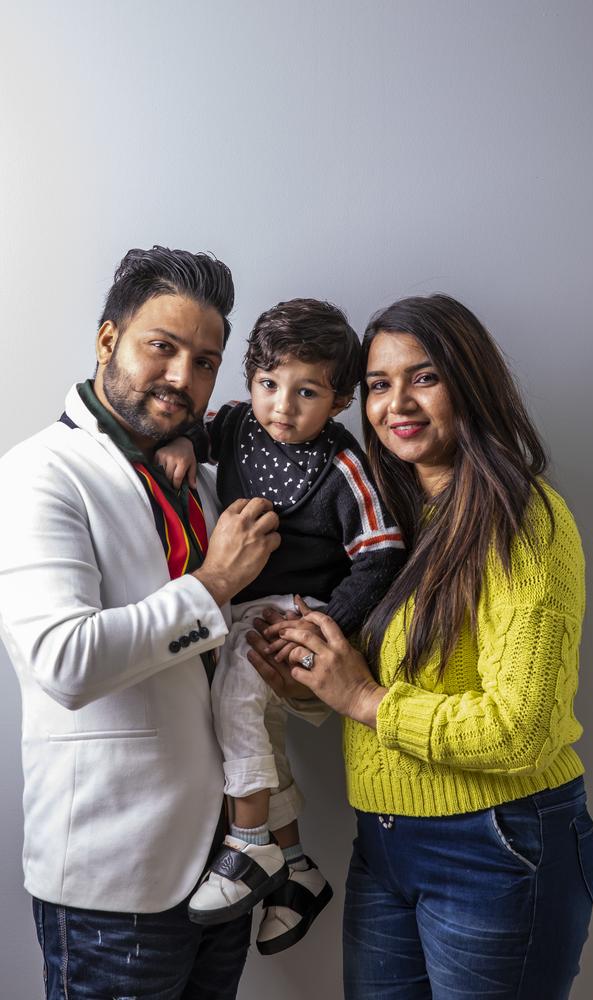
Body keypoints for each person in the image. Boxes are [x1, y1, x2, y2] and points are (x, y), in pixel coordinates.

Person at [249, 294, 593, 1000]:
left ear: (470, 381)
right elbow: (370, 690)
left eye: (424, 377)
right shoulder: (390, 520)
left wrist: (363, 697)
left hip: (498, 845)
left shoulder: (521, 519)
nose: (395, 403)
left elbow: (519, 728)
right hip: (383, 844)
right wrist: (305, 679)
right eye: (379, 384)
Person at [0, 246, 286, 999]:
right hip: (114, 883)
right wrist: (215, 581)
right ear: (107, 341)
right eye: (163, 347)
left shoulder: (211, 483)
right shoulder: (37, 473)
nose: (182, 379)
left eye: (205, 362)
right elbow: (65, 662)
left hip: (227, 866)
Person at [155, 298, 405, 954]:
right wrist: (184, 440)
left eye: (306, 392)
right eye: (268, 384)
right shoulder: (235, 424)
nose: (282, 407)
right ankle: (295, 870)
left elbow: (380, 553)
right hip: (237, 602)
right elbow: (197, 432)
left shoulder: (344, 465)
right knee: (246, 719)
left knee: (237, 689)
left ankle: (248, 843)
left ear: (342, 399)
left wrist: (329, 627)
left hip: (301, 609)